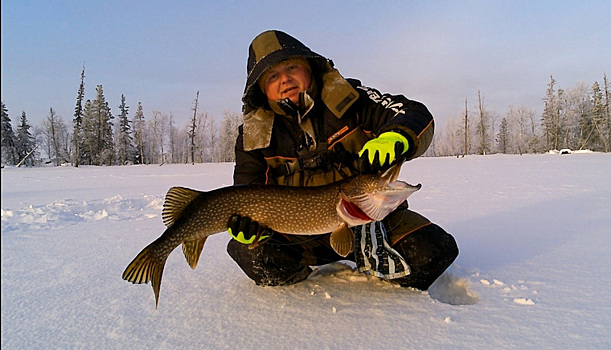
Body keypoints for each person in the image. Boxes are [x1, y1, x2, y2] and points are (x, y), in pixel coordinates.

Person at [226, 30, 458, 290]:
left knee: (434, 252)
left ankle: (370, 257)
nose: (285, 79)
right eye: (272, 76)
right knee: (250, 251)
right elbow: (246, 189)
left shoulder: (351, 98)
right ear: (260, 88)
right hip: (300, 235)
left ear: (309, 66)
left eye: (292, 67)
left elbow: (413, 113)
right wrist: (247, 226)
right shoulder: (254, 135)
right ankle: (305, 276)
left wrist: (395, 137)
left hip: (373, 222)